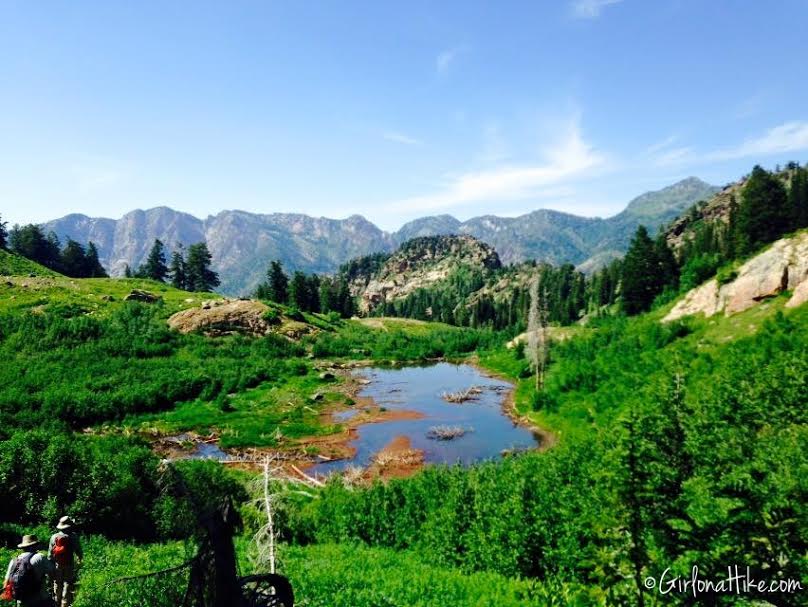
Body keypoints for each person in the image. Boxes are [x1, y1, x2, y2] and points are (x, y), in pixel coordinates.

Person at [3, 534, 54, 607]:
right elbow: (52, 571)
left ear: (23, 547)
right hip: (40, 599)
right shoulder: (39, 557)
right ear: (35, 545)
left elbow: (6, 582)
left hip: (21, 600)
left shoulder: (14, 560)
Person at [48, 517, 82, 607]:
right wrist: (79, 559)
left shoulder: (54, 537)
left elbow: (50, 555)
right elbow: (78, 551)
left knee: (58, 583)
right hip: (69, 564)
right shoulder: (73, 536)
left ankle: (57, 602)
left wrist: (50, 567)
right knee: (68, 582)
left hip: (57, 564)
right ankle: (65, 603)